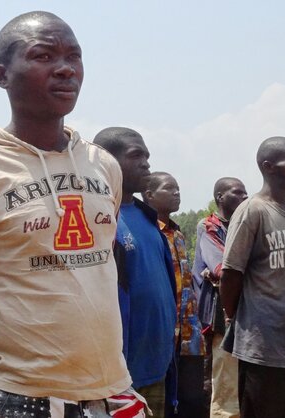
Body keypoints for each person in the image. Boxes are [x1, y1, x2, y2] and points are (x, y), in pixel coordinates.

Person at [0, 12, 144, 417]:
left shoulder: (102, 165)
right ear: (1, 75)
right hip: (17, 396)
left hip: (109, 393)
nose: (65, 69)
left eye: (74, 57)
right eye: (43, 56)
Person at [221, 136, 285, 418]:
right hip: (263, 346)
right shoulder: (253, 211)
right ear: (269, 166)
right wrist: (235, 318)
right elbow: (231, 273)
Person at [93, 128, 177, 416]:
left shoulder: (147, 217)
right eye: (136, 155)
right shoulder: (99, 216)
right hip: (120, 374)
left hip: (157, 364)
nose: (146, 164)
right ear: (106, 160)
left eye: (147, 156)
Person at [143, 171, 208, 418]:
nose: (177, 193)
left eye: (178, 188)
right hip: (160, 336)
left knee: (192, 400)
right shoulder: (148, 233)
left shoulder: (178, 235)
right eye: (169, 189)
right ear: (149, 195)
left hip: (188, 336)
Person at [193, 177, 247, 418]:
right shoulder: (209, 226)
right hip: (222, 316)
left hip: (247, 315)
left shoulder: (245, 224)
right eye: (237, 193)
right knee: (226, 385)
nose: (245, 197)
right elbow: (222, 268)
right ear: (220, 198)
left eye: (246, 192)